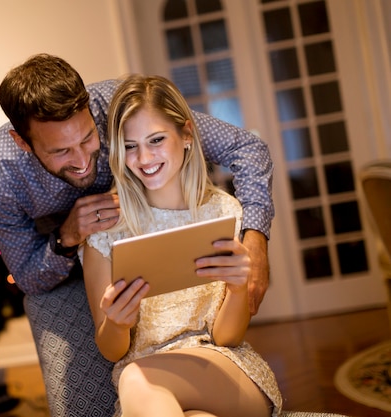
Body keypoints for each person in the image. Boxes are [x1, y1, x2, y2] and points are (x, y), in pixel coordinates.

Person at [0, 53, 274, 417]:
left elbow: (247, 147)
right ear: (23, 143)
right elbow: (30, 278)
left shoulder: (124, 108)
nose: (83, 161)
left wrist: (255, 238)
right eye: (61, 151)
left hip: (201, 366)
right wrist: (67, 238)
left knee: (138, 381)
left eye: (88, 139)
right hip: (117, 319)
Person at [81, 73, 282, 417]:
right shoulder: (105, 232)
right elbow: (112, 351)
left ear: (186, 134)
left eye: (156, 140)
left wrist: (237, 290)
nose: (144, 158)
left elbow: (227, 338)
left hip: (225, 370)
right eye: (130, 146)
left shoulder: (225, 212)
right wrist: (116, 323)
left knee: (136, 378)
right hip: (145, 394)